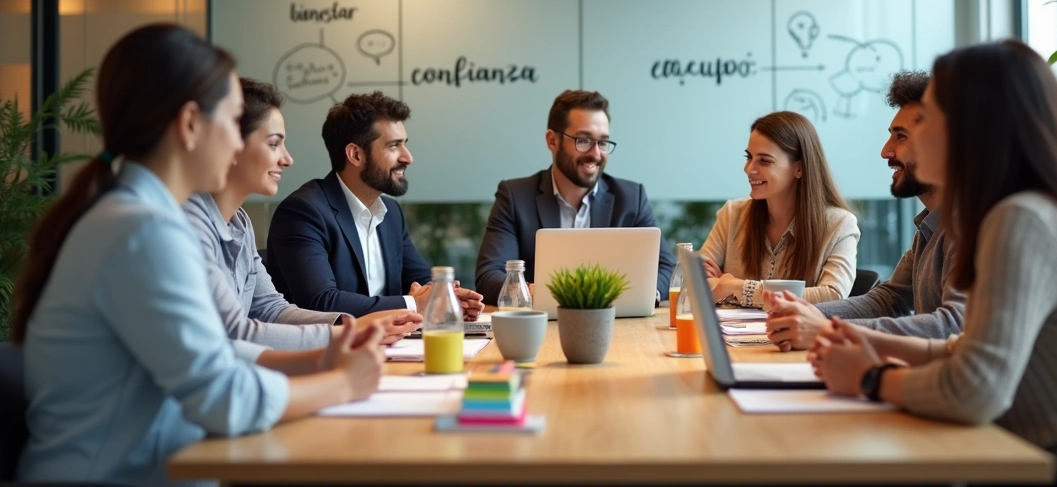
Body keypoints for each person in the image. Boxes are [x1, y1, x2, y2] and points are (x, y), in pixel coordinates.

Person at [12, 24, 385, 486]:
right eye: (231, 121)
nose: (236, 141)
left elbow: (216, 353)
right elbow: (222, 398)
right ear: (190, 124)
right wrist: (344, 383)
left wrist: (321, 358)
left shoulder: (136, 217)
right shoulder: (143, 231)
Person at [809, 40, 1057, 485]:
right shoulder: (1021, 210)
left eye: (927, 119)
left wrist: (869, 378)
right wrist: (853, 341)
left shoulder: (1021, 219)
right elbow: (970, 350)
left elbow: (974, 389)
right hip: (1044, 459)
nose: (907, 141)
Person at [183, 78, 423, 350]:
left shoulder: (240, 222)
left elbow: (271, 308)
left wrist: (359, 327)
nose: (287, 159)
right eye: (274, 144)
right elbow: (232, 333)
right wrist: (353, 333)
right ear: (231, 144)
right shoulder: (188, 222)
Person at [765, 72, 965, 350]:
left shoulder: (971, 226)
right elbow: (889, 299)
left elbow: (952, 326)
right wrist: (810, 315)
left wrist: (828, 329)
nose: (886, 151)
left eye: (901, 137)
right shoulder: (931, 227)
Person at [266, 91, 484, 318]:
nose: (407, 157)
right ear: (355, 155)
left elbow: (421, 281)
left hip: (390, 346)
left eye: (404, 144)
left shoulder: (391, 215)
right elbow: (321, 302)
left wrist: (449, 299)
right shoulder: (303, 212)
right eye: (393, 146)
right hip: (328, 350)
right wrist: (414, 304)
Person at [474, 89, 675, 303]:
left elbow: (666, 268)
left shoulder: (631, 198)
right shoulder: (515, 197)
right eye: (584, 140)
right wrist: (541, 294)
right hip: (540, 328)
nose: (596, 154)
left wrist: (639, 294)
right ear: (553, 141)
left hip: (616, 325)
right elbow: (489, 275)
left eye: (603, 142)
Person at [700, 111, 859, 308]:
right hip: (728, 338)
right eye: (749, 157)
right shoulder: (732, 214)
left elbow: (833, 296)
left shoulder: (840, 225)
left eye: (764, 160)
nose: (749, 169)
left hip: (793, 339)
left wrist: (736, 287)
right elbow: (696, 283)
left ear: (799, 168)